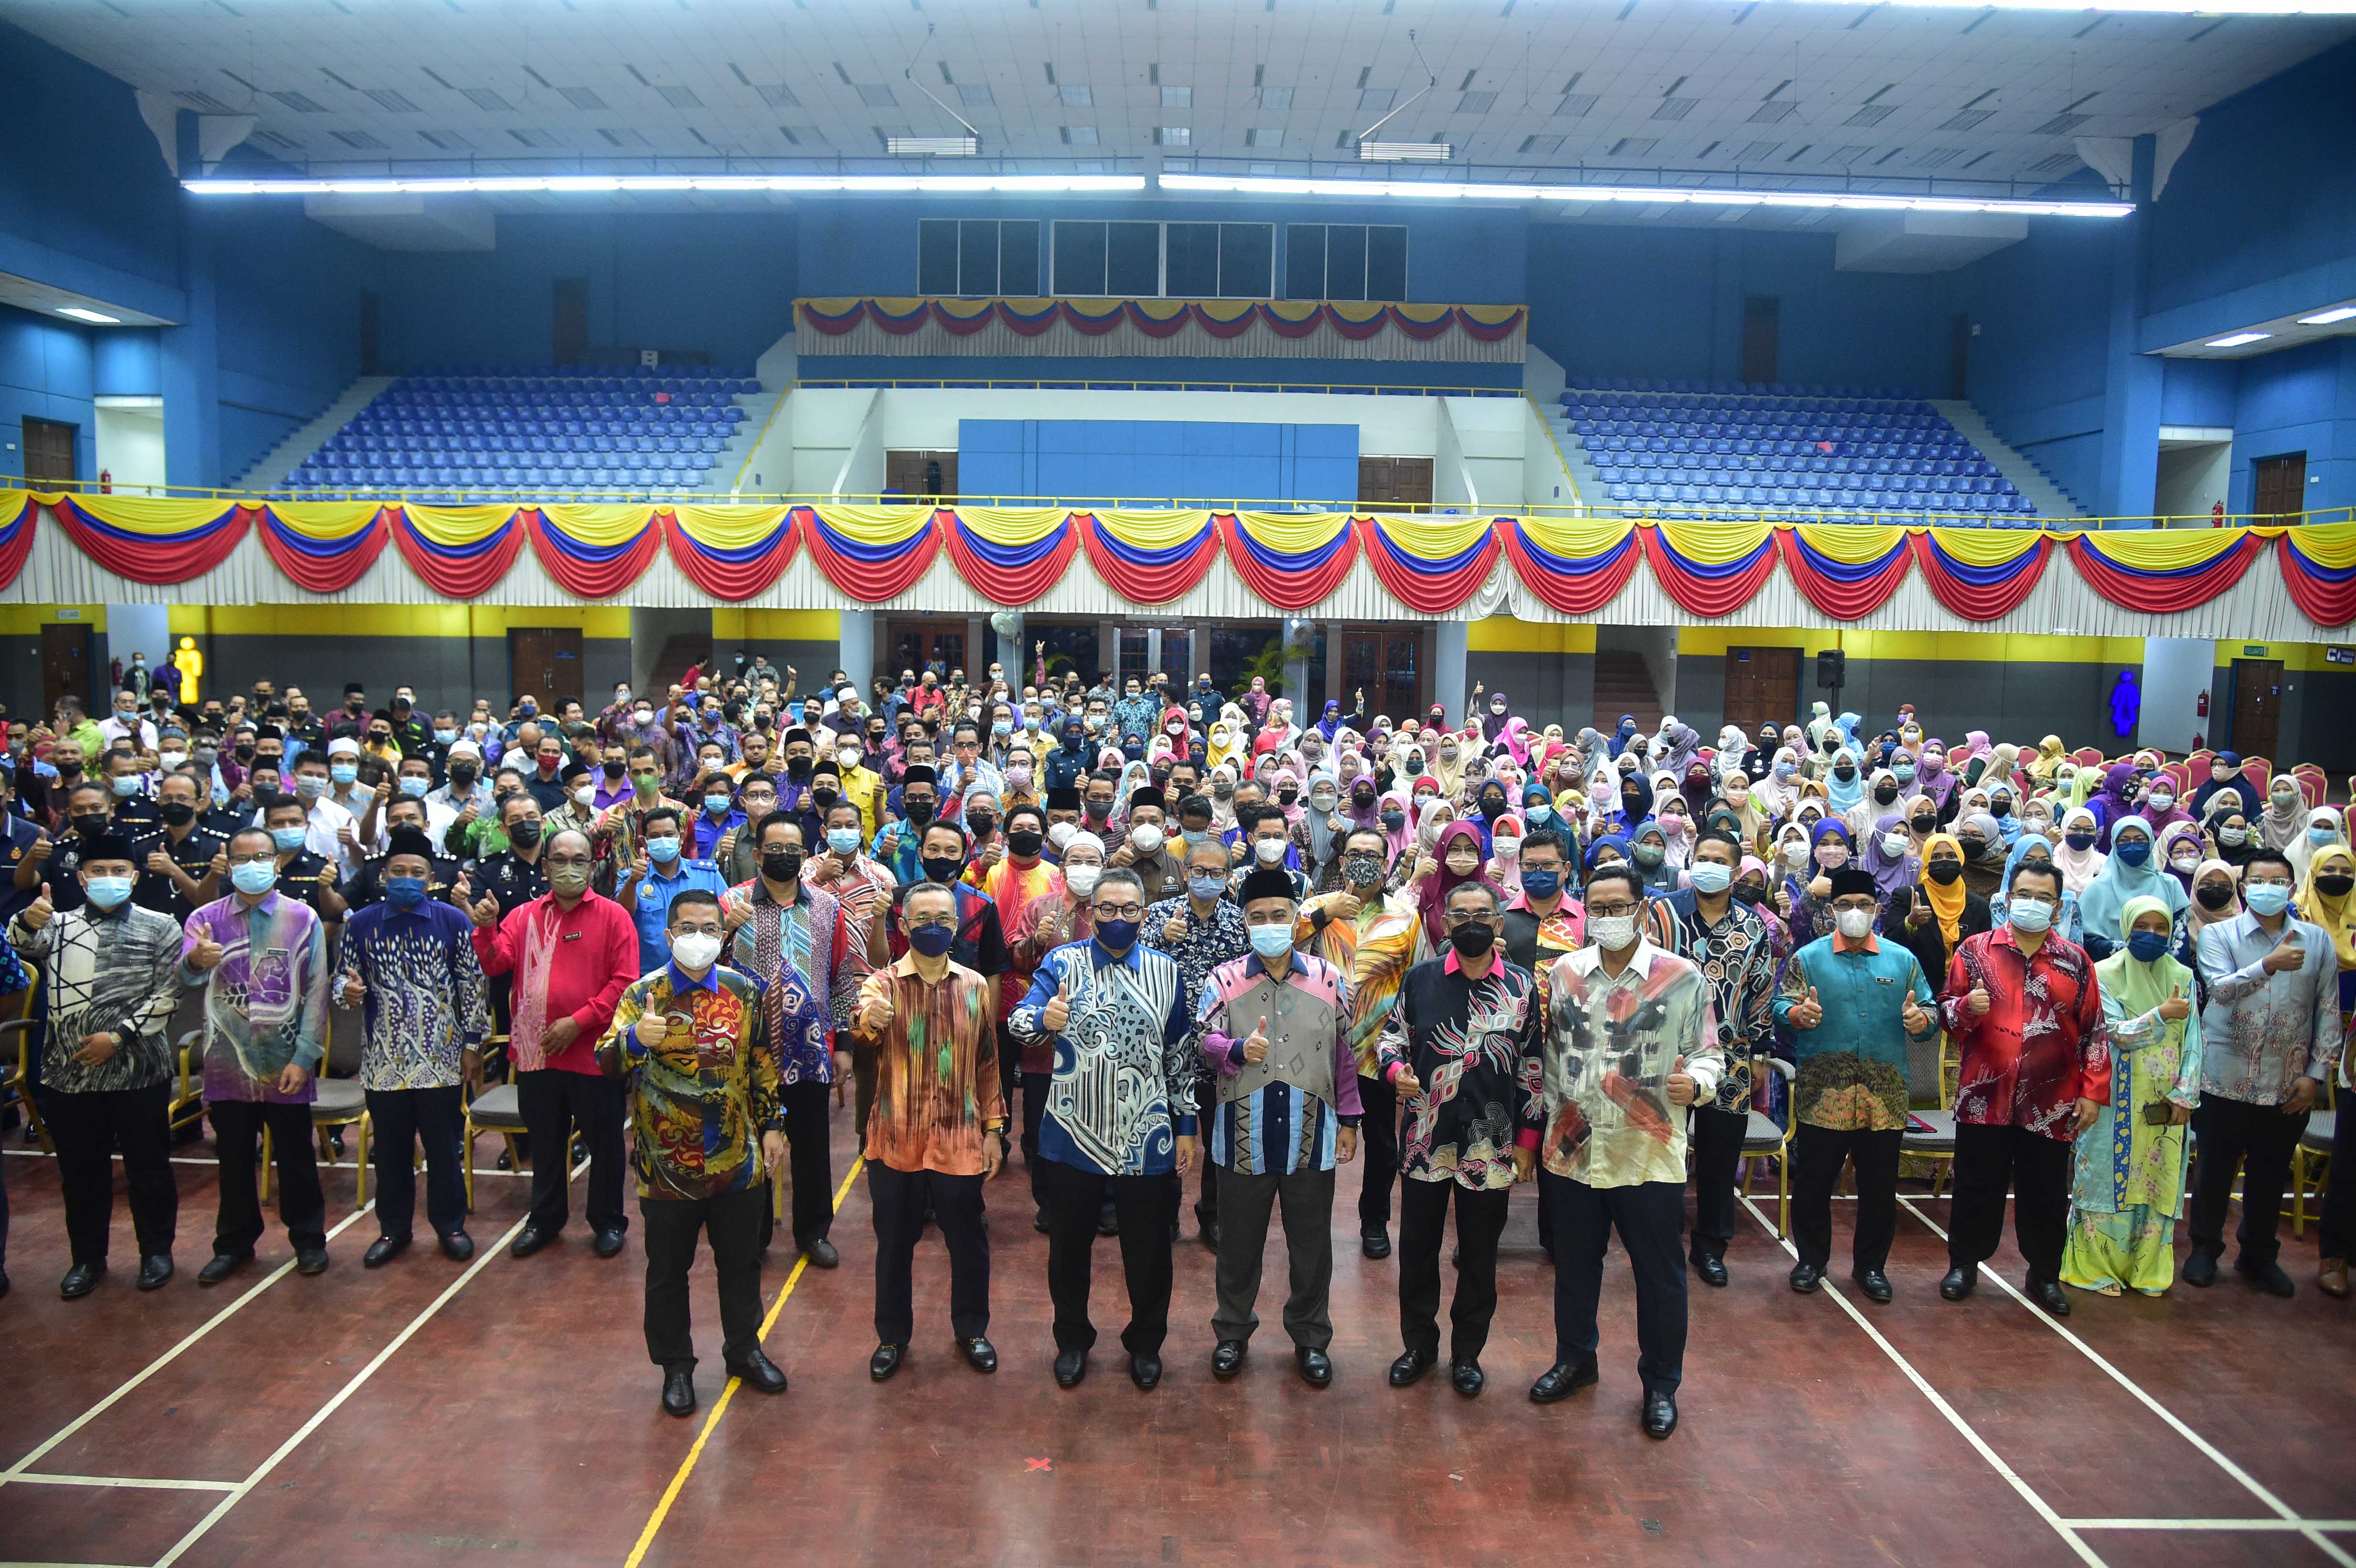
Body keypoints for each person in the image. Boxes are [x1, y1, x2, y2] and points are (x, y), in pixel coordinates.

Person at [1528, 862, 1720, 1439]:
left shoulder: (1680, 976)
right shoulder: (1564, 972)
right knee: (1573, 1267)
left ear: (1640, 910)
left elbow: (1708, 1052)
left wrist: (1698, 1083)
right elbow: (1550, 1055)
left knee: (1659, 1276)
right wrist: (1545, 1128)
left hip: (1646, 1150)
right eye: (1598, 907)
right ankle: (1574, 1359)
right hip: (1573, 1149)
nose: (1607, 917)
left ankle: (1660, 1384)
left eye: (1618, 907)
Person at [600, 888, 790, 1417]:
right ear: (669, 935)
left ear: (723, 935)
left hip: (736, 1160)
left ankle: (744, 1350)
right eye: (687, 928)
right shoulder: (643, 995)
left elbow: (761, 1064)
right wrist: (635, 1040)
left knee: (741, 1263)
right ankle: (676, 1367)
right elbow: (605, 1061)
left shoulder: (744, 991)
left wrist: (773, 1125)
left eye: (709, 928)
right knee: (667, 1271)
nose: (698, 938)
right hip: (667, 1166)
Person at [1008, 866, 1196, 1392]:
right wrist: (1044, 1019)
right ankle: (1072, 1340)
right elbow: (1018, 1022)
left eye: (1129, 909)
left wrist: (1185, 1124)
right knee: (1068, 1249)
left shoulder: (1166, 971)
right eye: (1108, 909)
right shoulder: (1061, 963)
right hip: (1073, 1133)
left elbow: (1179, 1056)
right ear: (1091, 913)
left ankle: (1145, 1343)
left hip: (1147, 1136)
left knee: (1149, 1251)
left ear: (1143, 913)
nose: (1118, 918)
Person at [1378, 876, 1542, 1398]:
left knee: (1479, 1253)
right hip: (1425, 1139)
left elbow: (1532, 1066)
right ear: (1446, 924)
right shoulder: (1420, 979)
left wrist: (1527, 1142)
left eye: (1481, 914)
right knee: (1417, 1250)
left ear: (1498, 922)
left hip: (1491, 1144)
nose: (1471, 924)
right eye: (1461, 915)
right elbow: (1390, 1040)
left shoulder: (1522, 986)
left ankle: (1467, 1353)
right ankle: (1418, 1347)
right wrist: (1396, 1071)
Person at [1199, 867, 1360, 1387]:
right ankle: (1231, 1333)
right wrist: (1235, 1049)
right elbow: (1204, 1041)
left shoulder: (1329, 979)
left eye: (1278, 915)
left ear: (1295, 918)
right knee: (1238, 1244)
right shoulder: (1223, 979)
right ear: (1245, 922)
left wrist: (1351, 1120)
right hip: (1240, 1134)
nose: (1269, 924)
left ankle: (1311, 1338)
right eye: (1258, 916)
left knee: (1311, 1245)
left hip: (1311, 1135)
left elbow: (1343, 1053)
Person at [7, 839, 179, 1297]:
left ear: (135, 877)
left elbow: (169, 994)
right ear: (81, 879)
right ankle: (87, 1259)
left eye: (118, 869)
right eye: (97, 870)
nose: (108, 878)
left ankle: (156, 1252)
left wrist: (118, 1038)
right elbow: (19, 943)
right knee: (81, 1173)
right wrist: (28, 918)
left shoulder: (161, 925)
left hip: (140, 1070)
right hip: (71, 1074)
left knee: (149, 1168)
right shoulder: (58, 924)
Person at [1937, 858, 2108, 1316]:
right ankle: (1964, 1265)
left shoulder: (2076, 961)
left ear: (2058, 907)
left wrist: (2092, 1092)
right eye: (2025, 895)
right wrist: (1966, 1008)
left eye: (2044, 897)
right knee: (1976, 1186)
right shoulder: (1975, 951)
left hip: (2051, 1102)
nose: (2033, 903)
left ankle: (2045, 1273)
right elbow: (1947, 1016)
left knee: (2046, 1191)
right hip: (1985, 1097)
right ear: (2009, 899)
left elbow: (2094, 1031)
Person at [854, 880, 1007, 1381]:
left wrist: (993, 1130)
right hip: (895, 1140)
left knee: (968, 1241)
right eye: (922, 919)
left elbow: (987, 1062)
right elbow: (861, 1030)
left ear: (956, 926)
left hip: (959, 1140)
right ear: (903, 926)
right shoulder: (882, 985)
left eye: (943, 919)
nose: (933, 927)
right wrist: (870, 1021)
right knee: (894, 1246)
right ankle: (891, 1336)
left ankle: (972, 1330)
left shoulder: (975, 986)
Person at [470, 827, 640, 1261]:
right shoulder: (522, 916)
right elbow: (496, 964)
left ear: (593, 866)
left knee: (605, 1146)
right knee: (546, 1145)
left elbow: (624, 984)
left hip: (594, 1055)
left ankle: (607, 1222)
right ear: (545, 867)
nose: (569, 868)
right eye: (560, 860)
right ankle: (544, 1220)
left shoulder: (614, 916)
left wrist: (578, 1023)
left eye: (579, 860)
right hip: (538, 1055)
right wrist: (486, 930)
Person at [1777, 866, 1940, 1303]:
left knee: (1879, 1188)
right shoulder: (1808, 958)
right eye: (1846, 904)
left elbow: (1930, 1010)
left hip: (1884, 1098)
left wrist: (1922, 1020)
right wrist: (1797, 1015)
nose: (1855, 911)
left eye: (1863, 905)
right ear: (1832, 910)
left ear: (1877, 909)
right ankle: (1810, 1261)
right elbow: (1781, 1007)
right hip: (1822, 1094)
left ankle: (1871, 1267)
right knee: (1813, 1183)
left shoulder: (1902, 960)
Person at [2186, 848, 2342, 1297]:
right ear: (2244, 888)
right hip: (2224, 1078)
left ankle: (2258, 1255)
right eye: (2258, 881)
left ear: (2291, 889)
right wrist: (2267, 965)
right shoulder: (2219, 934)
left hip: (2287, 1082)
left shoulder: (2316, 941)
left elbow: (2328, 1009)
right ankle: (2205, 1249)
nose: (2267, 889)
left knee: (2270, 1174)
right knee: (2214, 1171)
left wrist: (2316, 1074)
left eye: (2277, 883)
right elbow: (2219, 990)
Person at [182, 826, 334, 1285]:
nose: (252, 866)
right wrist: (196, 961)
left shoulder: (303, 918)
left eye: (261, 857)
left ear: (277, 863)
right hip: (227, 1063)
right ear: (228, 865)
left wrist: (304, 1057)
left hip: (285, 1061)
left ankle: (308, 1240)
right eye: (242, 859)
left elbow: (317, 990)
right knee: (232, 1159)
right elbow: (185, 976)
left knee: (296, 1157)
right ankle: (234, 1244)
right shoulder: (204, 919)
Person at [337, 828, 490, 1266]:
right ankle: (394, 1230)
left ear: (430, 879)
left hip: (441, 1058)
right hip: (383, 1061)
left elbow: (472, 986)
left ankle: (451, 1226)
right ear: (384, 876)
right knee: (390, 1153)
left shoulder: (452, 921)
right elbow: (341, 980)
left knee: (443, 1150)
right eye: (399, 871)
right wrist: (346, 992)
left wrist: (473, 1044)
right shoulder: (360, 924)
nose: (408, 878)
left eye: (417, 873)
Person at [2062, 894, 2203, 1296]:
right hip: (2112, 1098)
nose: (2151, 935)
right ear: (2126, 929)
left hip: (2165, 1105)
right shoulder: (2103, 973)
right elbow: (2111, 1034)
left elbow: (2195, 1040)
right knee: (2103, 1179)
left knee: (2156, 1183)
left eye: (2160, 928)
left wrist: (2185, 1095)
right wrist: (2161, 1015)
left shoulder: (2183, 976)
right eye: (2142, 927)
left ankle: (2146, 1270)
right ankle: (2094, 1269)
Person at [730, 810, 853, 1265]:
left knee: (812, 1147)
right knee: (751, 1145)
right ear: (758, 854)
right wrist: (724, 931)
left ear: (804, 855)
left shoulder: (827, 906)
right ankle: (754, 1233)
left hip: (811, 1049)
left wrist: (844, 1045)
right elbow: (707, 971)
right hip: (748, 1053)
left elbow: (841, 977)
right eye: (774, 849)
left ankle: (814, 1233)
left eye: (792, 850)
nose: (783, 856)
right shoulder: (733, 903)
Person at [1658, 830, 1776, 1288]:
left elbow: (1762, 990)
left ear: (1735, 870)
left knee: (1719, 1158)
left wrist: (1761, 1052)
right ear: (1691, 862)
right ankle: (1661, 1238)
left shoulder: (1753, 926)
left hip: (1731, 1059)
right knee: (1663, 1150)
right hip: (1665, 1056)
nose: (1709, 865)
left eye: (1719, 860)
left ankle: (1710, 1247)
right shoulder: (1662, 915)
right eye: (1702, 857)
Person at [1296, 824, 1420, 1259]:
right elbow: (1282, 947)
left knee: (1383, 1144)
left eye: (1372, 855)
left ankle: (1375, 1221)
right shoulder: (1316, 907)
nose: (1363, 861)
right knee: (1312, 1139)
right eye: (1355, 854)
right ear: (1343, 861)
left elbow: (1414, 982)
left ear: (1385, 864)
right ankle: (1310, 1223)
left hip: (1377, 1050)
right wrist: (1326, 914)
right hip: (1319, 1049)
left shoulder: (1405, 918)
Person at [1141, 832, 1252, 1250]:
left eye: (1216, 872)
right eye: (1200, 871)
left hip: (1218, 1051)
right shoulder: (1158, 915)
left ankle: (1213, 1215)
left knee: (1219, 1139)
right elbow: (1134, 964)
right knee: (1165, 1135)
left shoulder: (1238, 922)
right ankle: (1165, 1214)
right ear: (1186, 873)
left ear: (1227, 876)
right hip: (1166, 1050)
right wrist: (1159, 938)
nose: (1207, 878)